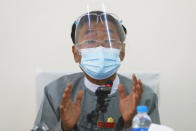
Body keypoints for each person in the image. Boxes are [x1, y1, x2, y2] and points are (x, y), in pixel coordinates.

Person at [33, 11, 160, 131]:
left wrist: (130, 123)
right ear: (76, 53)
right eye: (90, 41)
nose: (100, 48)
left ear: (122, 51)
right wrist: (64, 127)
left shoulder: (144, 97)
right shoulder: (56, 93)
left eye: (110, 41)